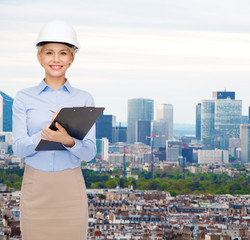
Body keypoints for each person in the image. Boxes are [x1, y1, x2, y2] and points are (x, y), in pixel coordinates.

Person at [12, 20, 96, 240]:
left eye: (63, 53)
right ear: (40, 57)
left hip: (70, 186)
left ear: (72, 58)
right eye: (49, 52)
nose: (56, 59)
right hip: (35, 186)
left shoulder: (84, 98)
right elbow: (19, 149)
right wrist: (44, 135)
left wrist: (67, 140)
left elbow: (90, 153)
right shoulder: (23, 97)